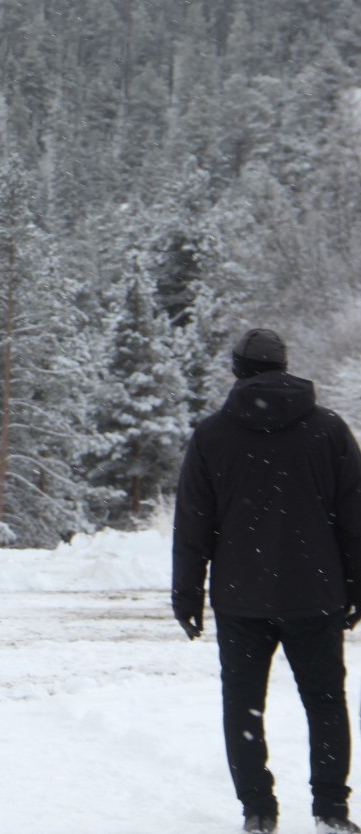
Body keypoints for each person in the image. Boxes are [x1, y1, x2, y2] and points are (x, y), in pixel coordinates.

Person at [173, 328, 361, 834]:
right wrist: (355, 586)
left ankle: (258, 811)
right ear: (284, 365)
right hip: (315, 592)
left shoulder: (213, 435)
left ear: (237, 370)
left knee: (242, 704)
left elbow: (193, 521)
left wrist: (187, 592)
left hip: (241, 597)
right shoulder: (328, 430)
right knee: (325, 703)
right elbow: (354, 518)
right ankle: (332, 811)